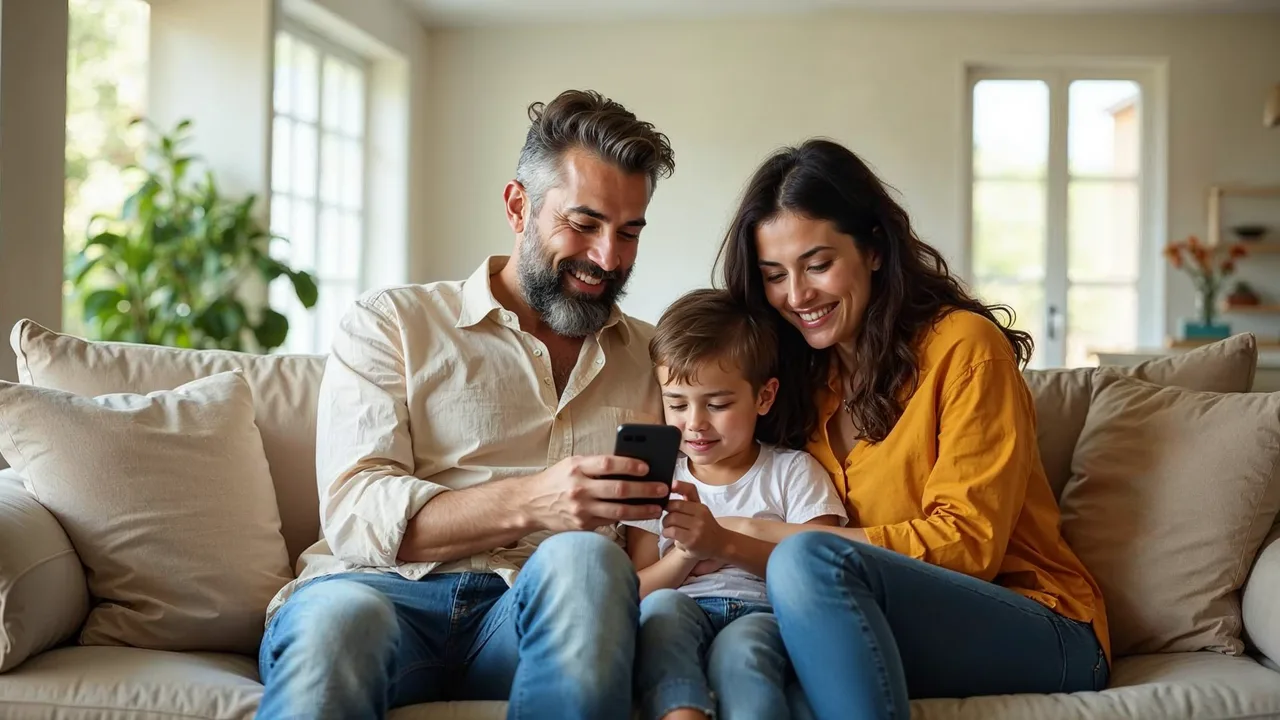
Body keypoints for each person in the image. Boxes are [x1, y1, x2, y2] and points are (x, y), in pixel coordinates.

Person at [255, 89, 677, 720]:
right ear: (518, 206)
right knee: (341, 620)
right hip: (378, 595)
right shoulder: (393, 323)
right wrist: (538, 499)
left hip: (540, 614)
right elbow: (355, 513)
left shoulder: (658, 358)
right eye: (583, 224)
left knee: (587, 559)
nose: (608, 258)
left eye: (629, 232)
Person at [715, 138, 1111, 720]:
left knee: (805, 560)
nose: (797, 295)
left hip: (1042, 623)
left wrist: (763, 534)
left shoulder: (965, 348)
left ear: (874, 249)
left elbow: (968, 546)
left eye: (818, 264)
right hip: (864, 613)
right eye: (775, 275)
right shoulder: (798, 379)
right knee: (746, 647)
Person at [626, 289, 846, 720]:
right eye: (677, 404)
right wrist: (687, 557)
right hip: (678, 605)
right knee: (661, 616)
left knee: (744, 653)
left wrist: (723, 543)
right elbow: (636, 590)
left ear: (764, 397)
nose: (695, 423)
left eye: (718, 404)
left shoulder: (792, 472)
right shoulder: (660, 478)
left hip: (761, 613)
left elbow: (820, 571)